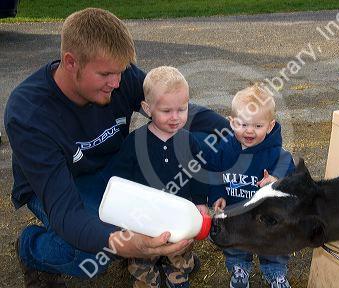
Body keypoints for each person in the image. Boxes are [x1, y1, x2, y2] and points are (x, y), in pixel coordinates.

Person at [4, 8, 228, 287]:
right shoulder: (29, 113)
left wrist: (230, 129)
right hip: (57, 186)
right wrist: (123, 244)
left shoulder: (119, 76)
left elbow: (167, 107)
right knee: (94, 253)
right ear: (71, 62)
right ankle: (31, 247)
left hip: (114, 173)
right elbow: (65, 210)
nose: (117, 83)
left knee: (155, 216)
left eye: (121, 72)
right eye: (106, 74)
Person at [100, 66, 209, 288]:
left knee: (180, 243)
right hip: (145, 216)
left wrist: (200, 203)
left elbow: (198, 176)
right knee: (144, 248)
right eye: (166, 111)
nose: (175, 117)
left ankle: (176, 269)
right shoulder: (134, 142)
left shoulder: (189, 142)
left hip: (180, 211)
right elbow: (121, 179)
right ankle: (145, 273)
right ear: (147, 108)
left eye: (182, 109)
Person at [205, 84, 296, 288]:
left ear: (270, 125)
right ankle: (239, 267)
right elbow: (213, 173)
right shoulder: (223, 149)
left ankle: (275, 271)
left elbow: (292, 178)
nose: (249, 131)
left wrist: (276, 181)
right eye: (243, 124)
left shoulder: (277, 154)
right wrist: (217, 194)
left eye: (257, 126)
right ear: (231, 121)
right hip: (236, 211)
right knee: (235, 240)